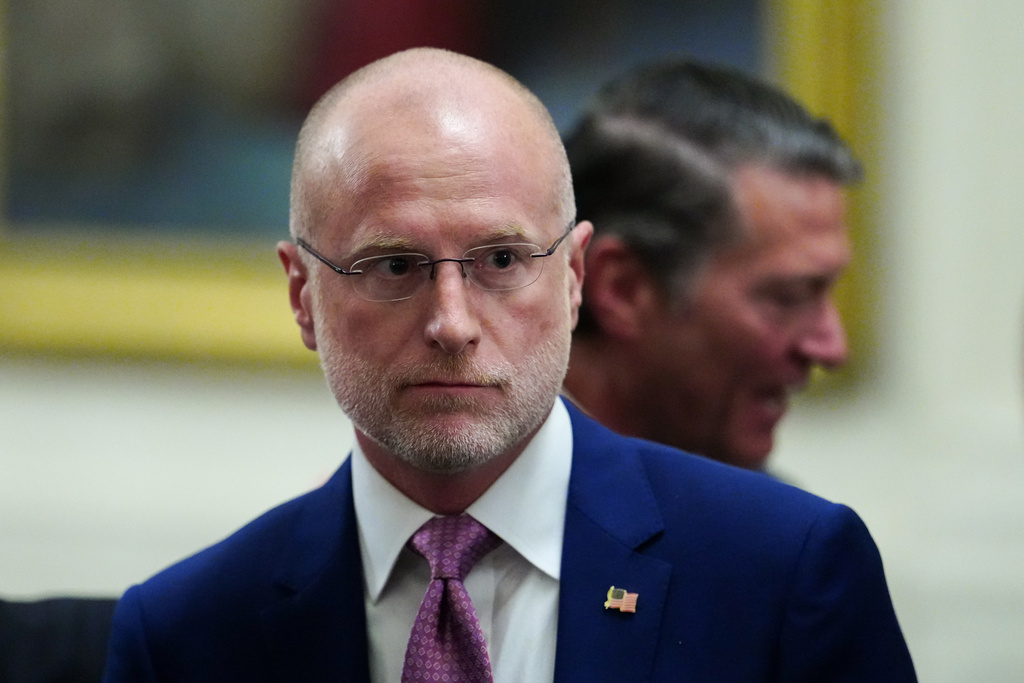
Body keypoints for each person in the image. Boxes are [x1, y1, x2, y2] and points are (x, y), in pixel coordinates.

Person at [103, 48, 915, 681]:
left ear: (574, 277)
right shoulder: (184, 635)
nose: (451, 323)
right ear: (302, 293)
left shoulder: (784, 573)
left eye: (500, 259)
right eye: (393, 267)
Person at [562, 58, 859, 471]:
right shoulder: (468, 516)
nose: (832, 349)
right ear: (623, 289)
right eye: (788, 297)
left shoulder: (772, 523)